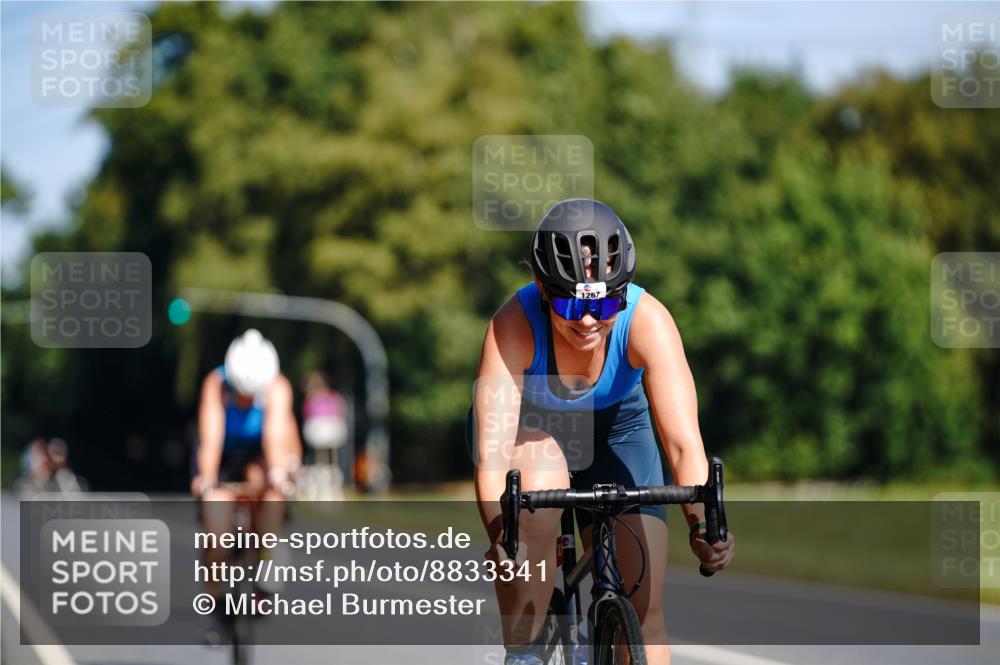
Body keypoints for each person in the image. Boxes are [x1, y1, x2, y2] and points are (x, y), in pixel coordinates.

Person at [471, 199, 735, 665]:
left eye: (607, 303)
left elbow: (682, 443)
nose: (589, 322)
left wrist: (703, 526)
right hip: (531, 433)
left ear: (624, 291)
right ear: (543, 289)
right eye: (572, 304)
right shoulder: (513, 324)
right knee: (533, 497)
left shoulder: (649, 320)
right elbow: (493, 456)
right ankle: (528, 651)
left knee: (644, 610)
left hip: (618, 430)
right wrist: (503, 536)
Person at [191, 329, 302, 600]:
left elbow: (274, 437)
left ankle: (268, 551)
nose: (246, 401)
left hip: (260, 453)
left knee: (272, 489)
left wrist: (278, 474)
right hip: (224, 455)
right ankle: (215, 598)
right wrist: (207, 480)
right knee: (216, 533)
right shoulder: (216, 384)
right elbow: (211, 440)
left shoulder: (277, 386)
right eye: (241, 394)